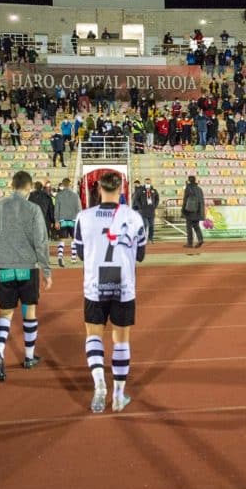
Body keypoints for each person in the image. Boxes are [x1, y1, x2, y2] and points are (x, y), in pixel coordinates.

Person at [74, 171, 147, 413]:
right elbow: (141, 255)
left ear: (98, 190)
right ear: (122, 190)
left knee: (94, 336)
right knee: (121, 341)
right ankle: (118, 394)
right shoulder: (134, 217)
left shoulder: (83, 217)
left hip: (95, 285)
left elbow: (82, 254)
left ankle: (99, 385)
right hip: (124, 285)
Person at [0, 171, 52, 382]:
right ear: (29, 187)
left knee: (5, 314)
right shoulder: (33, 209)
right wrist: (46, 270)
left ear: (11, 185)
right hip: (27, 269)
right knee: (29, 311)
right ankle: (29, 357)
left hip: (4, 268)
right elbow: (41, 241)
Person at [55, 177, 82, 267]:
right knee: (73, 239)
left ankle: (60, 256)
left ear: (62, 184)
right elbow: (79, 209)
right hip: (73, 220)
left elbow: (56, 209)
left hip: (62, 219)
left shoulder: (58, 195)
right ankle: (73, 258)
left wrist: (56, 221)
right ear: (70, 184)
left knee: (62, 239)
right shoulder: (75, 195)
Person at [132, 177, 160, 243]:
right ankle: (143, 238)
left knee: (151, 225)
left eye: (149, 182)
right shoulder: (140, 190)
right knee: (144, 225)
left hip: (151, 210)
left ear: (150, 182)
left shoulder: (154, 190)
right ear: (144, 182)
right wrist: (140, 207)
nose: (148, 183)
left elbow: (157, 198)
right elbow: (136, 199)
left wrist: (155, 205)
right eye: (146, 182)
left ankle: (150, 238)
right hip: (143, 210)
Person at [181, 175, 205, 248]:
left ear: (189, 181)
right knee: (196, 226)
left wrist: (183, 209)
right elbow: (201, 200)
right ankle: (200, 239)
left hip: (189, 210)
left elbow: (185, 199)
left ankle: (190, 243)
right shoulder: (199, 189)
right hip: (198, 210)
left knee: (189, 227)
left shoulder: (188, 188)